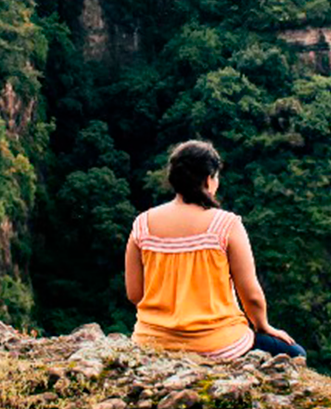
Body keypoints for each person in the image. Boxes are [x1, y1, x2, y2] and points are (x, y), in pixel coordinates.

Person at [124, 139, 305, 360]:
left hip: (152, 343)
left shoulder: (142, 224)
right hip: (216, 344)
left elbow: (135, 293)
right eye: (216, 176)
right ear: (208, 180)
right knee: (296, 354)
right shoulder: (226, 225)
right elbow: (251, 294)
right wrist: (263, 325)